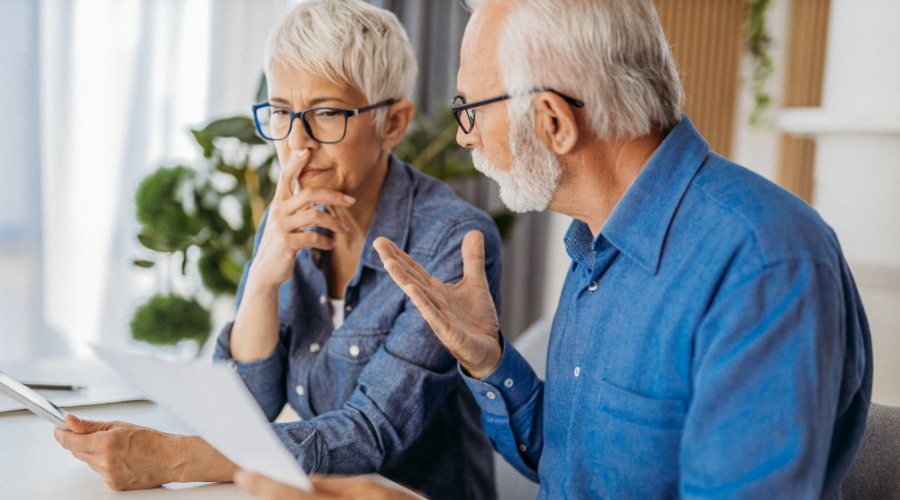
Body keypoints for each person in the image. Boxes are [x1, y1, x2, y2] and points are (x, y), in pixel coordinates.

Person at [244, 0, 873, 498]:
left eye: (469, 110)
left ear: (552, 121)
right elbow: (576, 466)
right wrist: (491, 364)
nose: (464, 138)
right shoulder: (595, 244)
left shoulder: (763, 260)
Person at [52, 2, 500, 499]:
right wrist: (264, 279)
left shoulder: (452, 241)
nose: (298, 145)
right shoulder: (290, 213)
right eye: (283, 112)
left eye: (327, 114)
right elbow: (245, 408)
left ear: (393, 123)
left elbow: (369, 435)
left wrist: (172, 458)